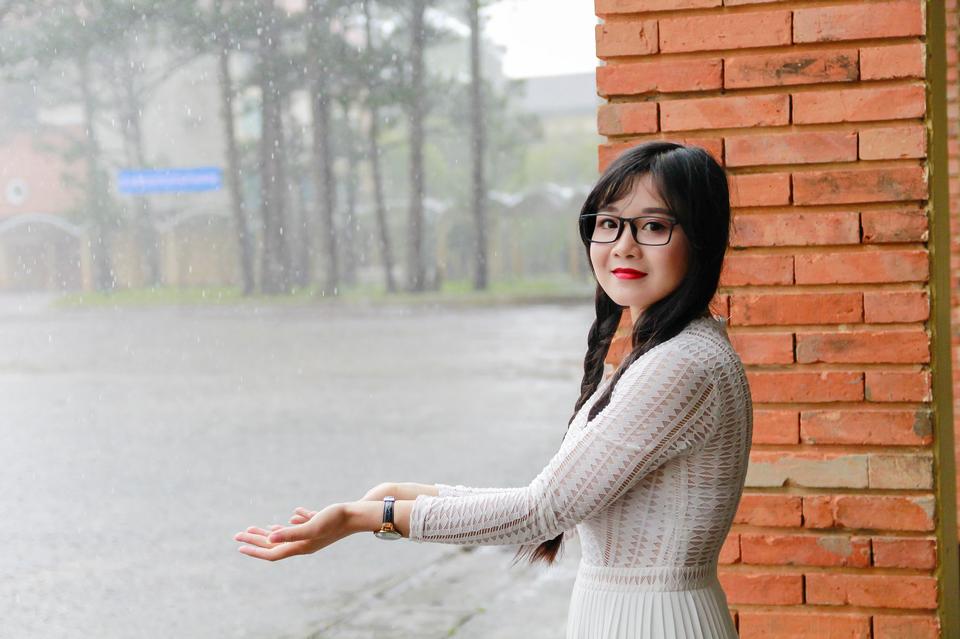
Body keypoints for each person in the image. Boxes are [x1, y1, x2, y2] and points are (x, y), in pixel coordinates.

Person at [233, 141, 752, 639]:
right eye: (610, 223)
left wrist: (367, 518)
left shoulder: (680, 364)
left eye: (654, 226)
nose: (623, 246)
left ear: (700, 241)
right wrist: (404, 494)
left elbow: (540, 510)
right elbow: (555, 497)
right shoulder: (667, 353)